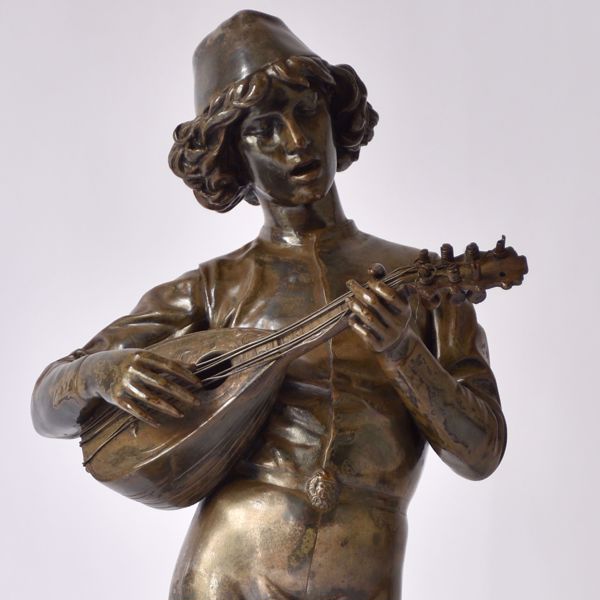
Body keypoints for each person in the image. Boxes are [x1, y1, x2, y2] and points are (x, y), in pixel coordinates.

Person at [32, 11, 507, 600]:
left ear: (334, 116)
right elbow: (47, 406)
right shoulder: (214, 287)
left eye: (307, 111)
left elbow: (481, 452)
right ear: (233, 156)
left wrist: (402, 351)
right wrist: (104, 371)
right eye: (263, 129)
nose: (296, 141)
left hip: (364, 570)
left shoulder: (422, 283)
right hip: (227, 569)